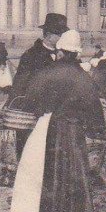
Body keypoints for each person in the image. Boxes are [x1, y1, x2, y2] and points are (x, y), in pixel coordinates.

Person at [0, 30, 106, 212]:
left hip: (47, 127)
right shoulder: (84, 78)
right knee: (75, 176)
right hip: (74, 133)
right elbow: (95, 111)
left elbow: (30, 102)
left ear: (61, 52)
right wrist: (95, 132)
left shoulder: (47, 73)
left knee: (32, 174)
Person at [9, 12, 68, 157]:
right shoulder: (31, 55)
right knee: (31, 154)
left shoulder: (64, 55)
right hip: (34, 113)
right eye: (58, 34)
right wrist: (12, 106)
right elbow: (20, 84)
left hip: (55, 115)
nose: (61, 37)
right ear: (47, 35)